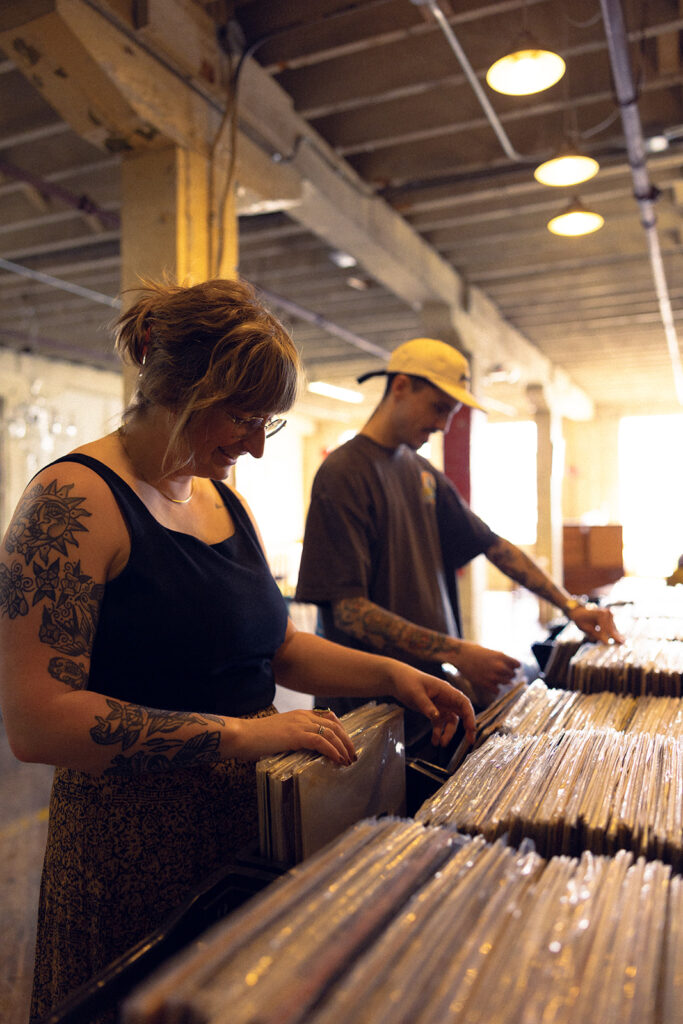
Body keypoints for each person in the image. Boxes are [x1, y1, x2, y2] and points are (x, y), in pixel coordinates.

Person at [0, 283, 475, 1023]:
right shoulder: (74, 501)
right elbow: (39, 723)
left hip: (247, 822)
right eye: (243, 418)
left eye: (267, 424)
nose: (254, 444)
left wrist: (393, 674)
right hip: (130, 849)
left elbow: (278, 647)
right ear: (179, 390)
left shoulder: (224, 500)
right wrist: (247, 734)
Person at [295, 337, 623, 746]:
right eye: (438, 408)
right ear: (400, 387)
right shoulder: (344, 473)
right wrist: (457, 652)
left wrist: (571, 606)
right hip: (367, 711)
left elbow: (492, 544)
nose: (443, 425)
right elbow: (350, 612)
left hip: (429, 700)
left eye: (450, 413)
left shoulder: (423, 474)